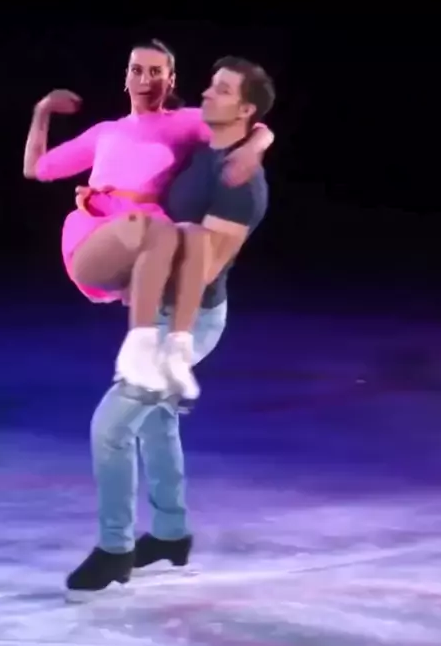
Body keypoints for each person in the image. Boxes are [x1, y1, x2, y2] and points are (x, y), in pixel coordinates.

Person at [65, 56, 274, 599]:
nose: (206, 93)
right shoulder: (207, 148)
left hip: (193, 317)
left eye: (221, 89)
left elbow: (203, 271)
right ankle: (171, 533)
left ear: (243, 109)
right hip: (158, 307)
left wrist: (140, 275)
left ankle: (114, 550)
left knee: (111, 428)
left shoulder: (240, 187)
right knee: (156, 423)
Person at [23, 40, 274, 398]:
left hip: (149, 231)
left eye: (156, 72)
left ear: (171, 81)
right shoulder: (106, 131)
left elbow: (252, 125)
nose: (145, 79)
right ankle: (138, 349)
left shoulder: (184, 123)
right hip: (96, 231)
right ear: (126, 78)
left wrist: (253, 149)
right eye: (137, 70)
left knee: (193, 236)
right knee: (152, 229)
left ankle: (177, 352)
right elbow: (36, 168)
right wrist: (43, 110)